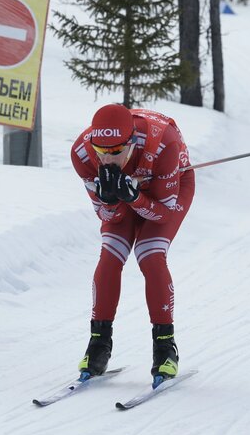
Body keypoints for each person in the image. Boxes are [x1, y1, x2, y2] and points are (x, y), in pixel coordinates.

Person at [69, 103, 195, 385]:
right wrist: (110, 199)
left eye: (115, 152)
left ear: (132, 142)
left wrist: (135, 197)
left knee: (149, 254)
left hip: (169, 187)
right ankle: (98, 345)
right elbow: (106, 216)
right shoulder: (82, 153)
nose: (107, 160)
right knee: (111, 254)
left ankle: (165, 348)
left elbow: (162, 212)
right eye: (101, 152)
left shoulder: (163, 143)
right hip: (130, 193)